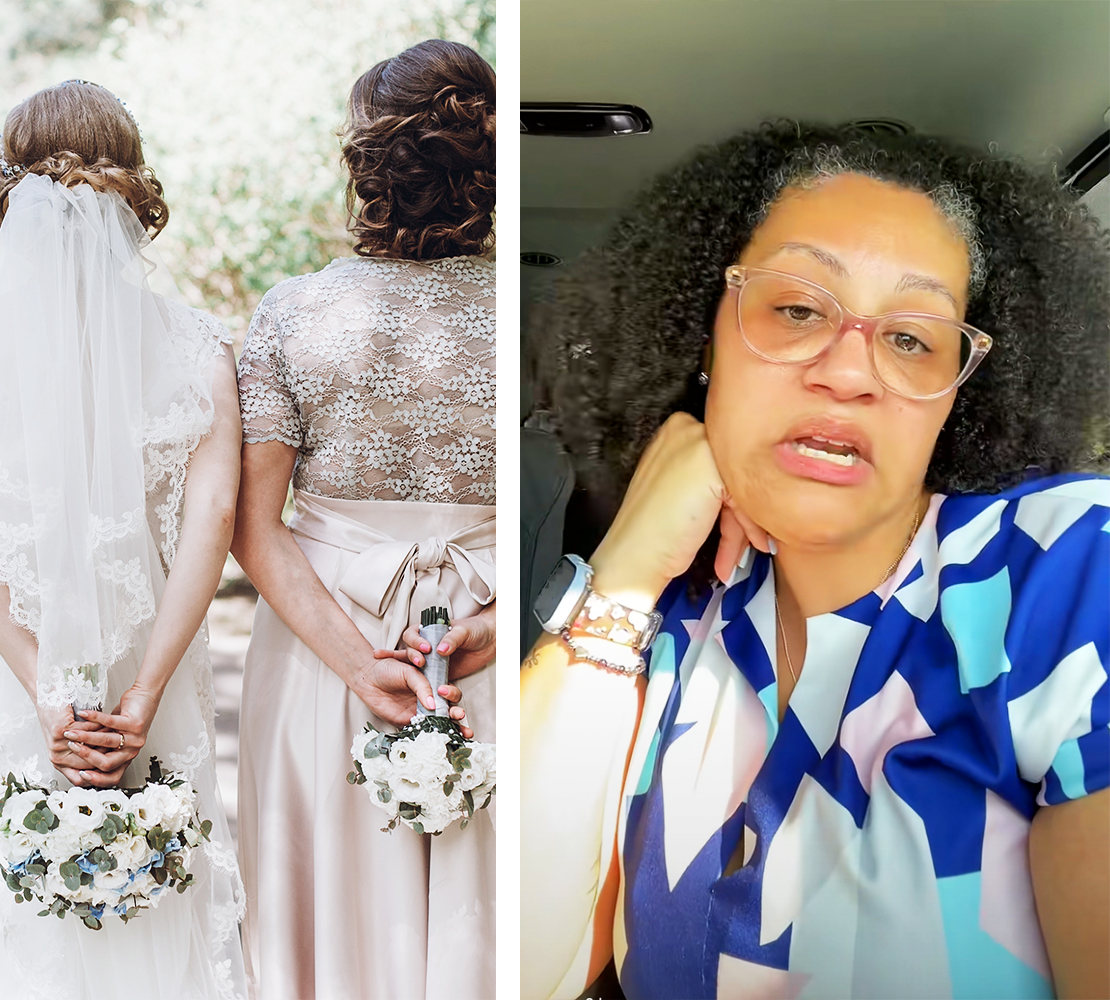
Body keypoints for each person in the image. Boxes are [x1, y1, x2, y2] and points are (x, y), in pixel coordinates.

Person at [522, 122, 1110, 1000]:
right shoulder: (670, 629)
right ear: (702, 341)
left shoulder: (1063, 573)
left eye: (913, 338)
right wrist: (628, 567)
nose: (850, 372)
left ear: (957, 396)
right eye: (797, 309)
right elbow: (524, 965)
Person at [0, 80, 247, 998]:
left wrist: (43, 694)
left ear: (7, 194)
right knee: (157, 883)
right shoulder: (201, 346)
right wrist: (139, 696)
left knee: (12, 902)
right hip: (156, 658)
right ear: (134, 189)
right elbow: (212, 522)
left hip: (7, 669)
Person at [230, 38, 501, 1000]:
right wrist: (497, 629)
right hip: (477, 647)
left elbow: (252, 528)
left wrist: (356, 666)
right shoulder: (537, 317)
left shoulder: (290, 312)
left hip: (320, 653)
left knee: (325, 923)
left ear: (366, 164)